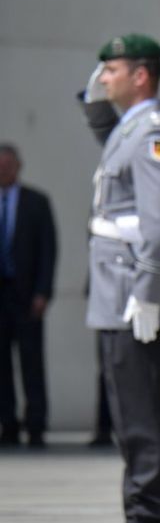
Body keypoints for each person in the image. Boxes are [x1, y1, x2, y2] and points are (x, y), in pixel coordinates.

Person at [78, 34, 160, 523]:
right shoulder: (127, 128)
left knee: (143, 415)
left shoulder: (152, 133)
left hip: (134, 294)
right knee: (128, 413)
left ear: (141, 75)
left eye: (113, 68)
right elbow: (96, 115)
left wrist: (148, 290)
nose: (104, 76)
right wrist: (96, 82)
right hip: (116, 290)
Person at [0, 144, 57, 448]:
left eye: (8, 165)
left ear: (18, 167)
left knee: (31, 362)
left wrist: (43, 292)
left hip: (26, 295)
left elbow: (48, 250)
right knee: (2, 366)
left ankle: (36, 424)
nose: (3, 171)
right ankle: (7, 423)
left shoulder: (36, 202)